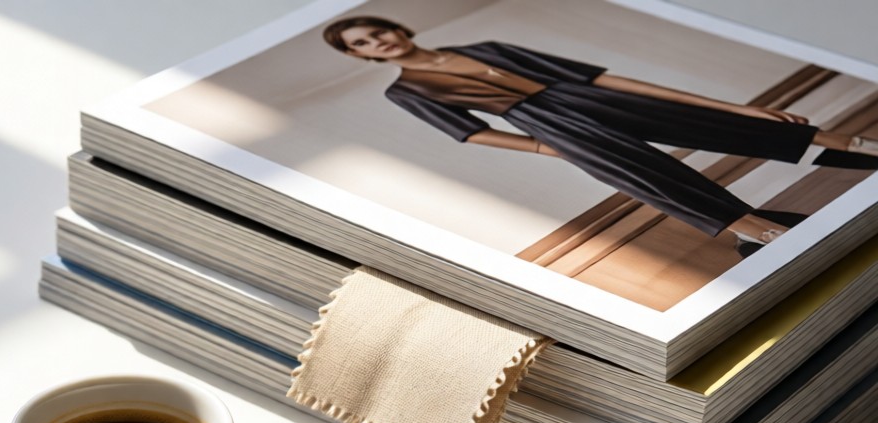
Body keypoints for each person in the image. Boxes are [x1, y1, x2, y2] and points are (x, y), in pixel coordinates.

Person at [322, 16, 878, 253]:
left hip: (591, 97)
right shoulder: (405, 91)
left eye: (378, 32)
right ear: (359, 58)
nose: (378, 43)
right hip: (550, 123)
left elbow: (602, 78)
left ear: (398, 28)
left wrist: (733, 104)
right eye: (363, 45)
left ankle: (855, 147)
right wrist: (551, 146)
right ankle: (758, 232)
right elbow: (469, 135)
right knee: (650, 177)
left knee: (722, 126)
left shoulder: (487, 48)